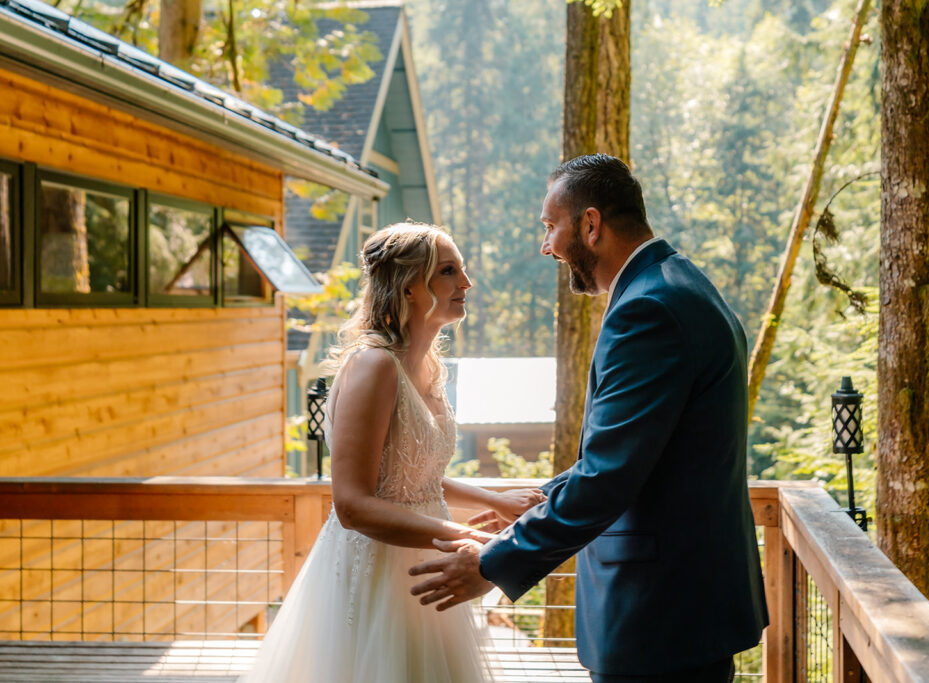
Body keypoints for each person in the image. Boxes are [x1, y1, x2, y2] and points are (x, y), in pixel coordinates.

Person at [410, 155, 769, 682]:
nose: (546, 245)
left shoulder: (649, 310)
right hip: (687, 604)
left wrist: (493, 564)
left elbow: (608, 474)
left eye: (550, 226)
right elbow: (644, 454)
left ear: (591, 224)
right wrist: (539, 502)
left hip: (659, 612)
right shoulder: (680, 283)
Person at [240, 223, 544, 683]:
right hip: (377, 570)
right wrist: (468, 537)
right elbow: (353, 505)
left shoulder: (429, 366)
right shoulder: (374, 365)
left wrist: (494, 501)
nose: (466, 283)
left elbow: (410, 470)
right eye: (449, 271)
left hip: (425, 565)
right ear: (409, 287)